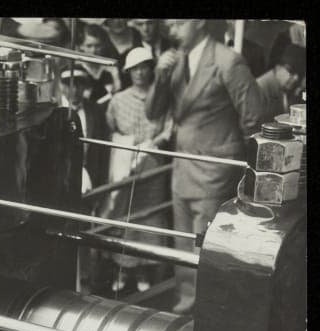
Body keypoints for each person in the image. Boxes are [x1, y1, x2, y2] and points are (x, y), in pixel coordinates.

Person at [146, 18, 263, 313]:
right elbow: (153, 113)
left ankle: (207, 314)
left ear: (199, 22)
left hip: (215, 169)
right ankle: (186, 307)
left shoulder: (228, 61)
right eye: (170, 25)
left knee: (205, 246)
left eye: (178, 23)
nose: (172, 31)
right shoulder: (175, 62)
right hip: (183, 167)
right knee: (183, 243)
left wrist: (241, 164)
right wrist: (159, 77)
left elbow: (254, 116)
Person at [103, 47, 173, 294]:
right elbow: (110, 128)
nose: (140, 73)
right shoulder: (118, 100)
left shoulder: (163, 99)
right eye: (135, 69)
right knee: (125, 214)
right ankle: (123, 268)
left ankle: (143, 269)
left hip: (153, 162)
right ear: (128, 72)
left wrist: (154, 143)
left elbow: (169, 127)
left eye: (144, 67)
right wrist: (127, 146)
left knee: (148, 215)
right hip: (125, 164)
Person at [62, 69, 111, 194]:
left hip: (90, 180)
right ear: (62, 86)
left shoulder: (95, 111)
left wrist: (102, 181)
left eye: (79, 84)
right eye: (69, 85)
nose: (74, 90)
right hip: (61, 179)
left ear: (85, 86)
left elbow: (103, 150)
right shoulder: (52, 110)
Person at [254, 43, 305, 123]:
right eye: (291, 71)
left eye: (300, 74)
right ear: (278, 67)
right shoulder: (260, 88)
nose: (296, 78)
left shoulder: (288, 90)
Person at [76, 24, 121, 104]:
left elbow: (117, 94)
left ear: (103, 45)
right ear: (81, 46)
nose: (93, 51)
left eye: (98, 46)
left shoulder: (111, 68)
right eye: (89, 46)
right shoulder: (76, 68)